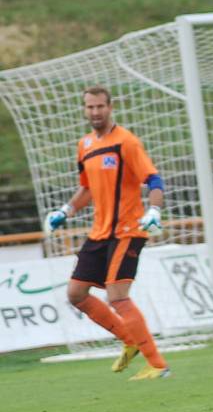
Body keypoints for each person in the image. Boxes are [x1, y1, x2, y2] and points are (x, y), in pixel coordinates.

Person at [46, 86, 170, 381]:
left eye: (100, 106)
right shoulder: (85, 145)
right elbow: (87, 187)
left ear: (110, 107)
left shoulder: (126, 142)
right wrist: (66, 210)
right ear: (84, 109)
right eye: (90, 107)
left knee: (118, 296)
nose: (95, 112)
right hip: (99, 232)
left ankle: (158, 364)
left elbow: (153, 179)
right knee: (76, 293)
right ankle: (129, 340)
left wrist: (154, 211)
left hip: (128, 230)